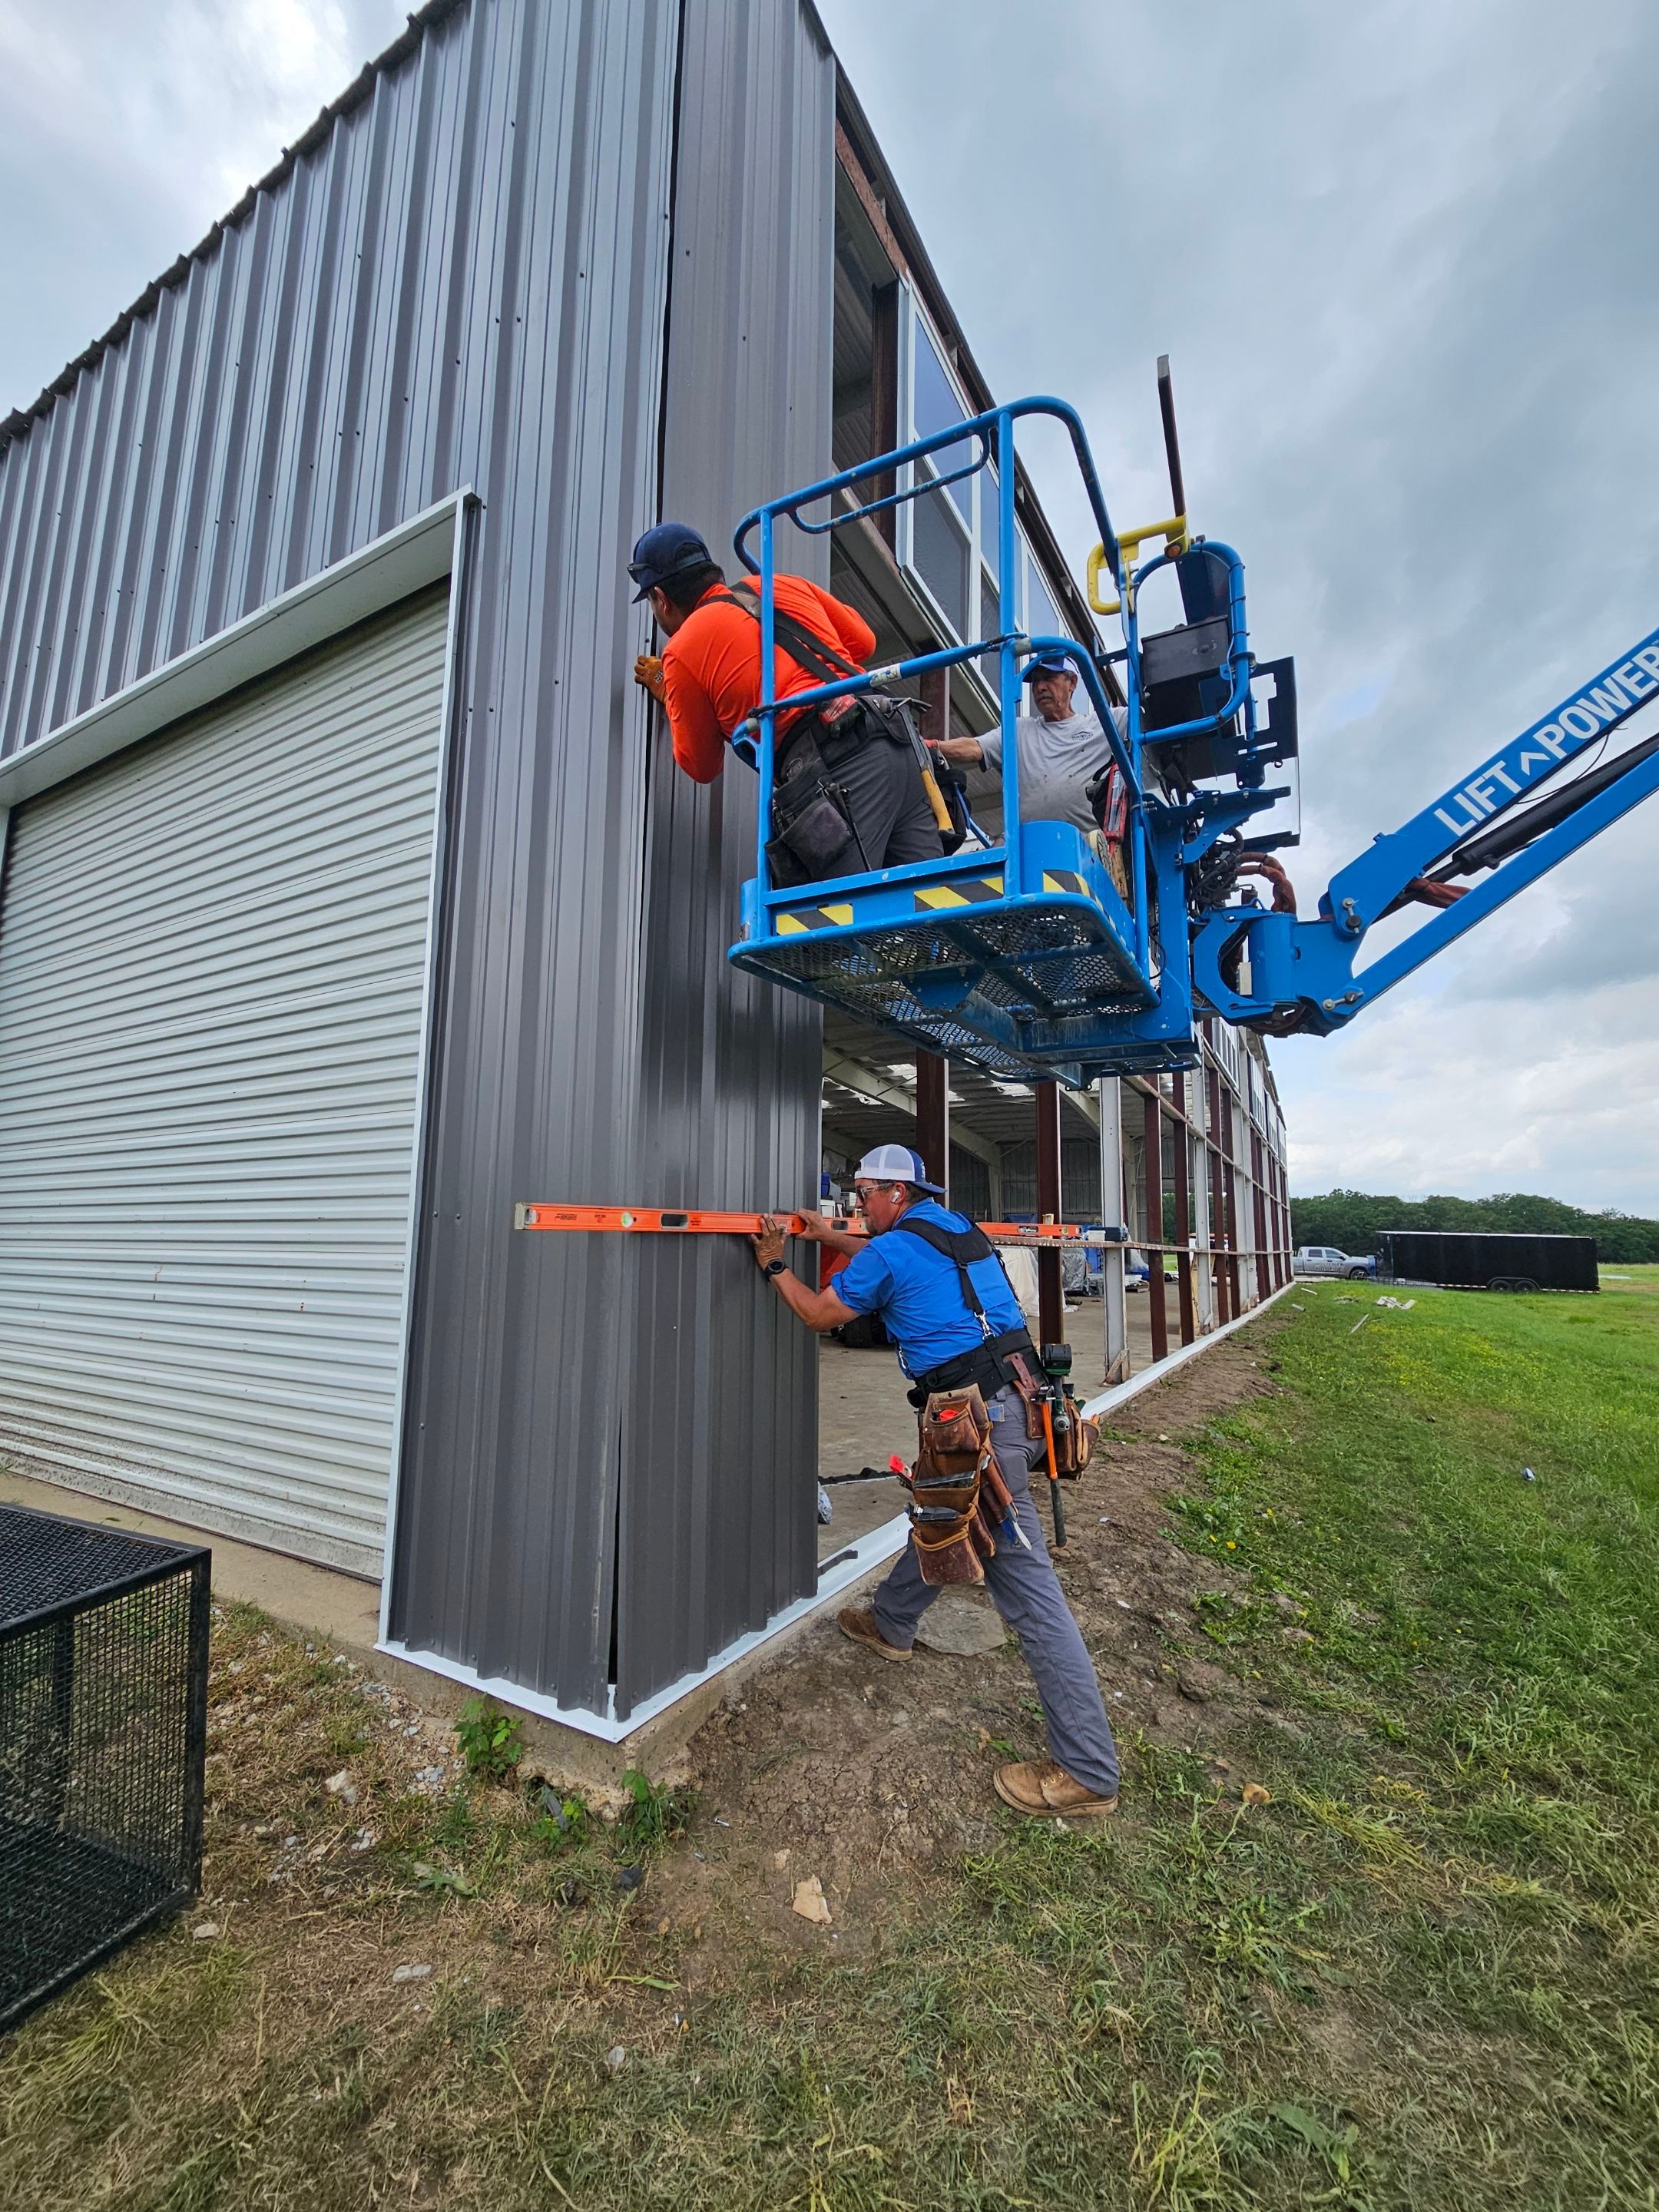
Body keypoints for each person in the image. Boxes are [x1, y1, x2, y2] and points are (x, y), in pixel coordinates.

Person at [750, 1143, 1121, 1820]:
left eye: (864, 1192)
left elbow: (817, 1313)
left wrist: (776, 1262)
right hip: (1018, 1398)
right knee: (939, 1507)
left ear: (896, 1194)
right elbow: (885, 1252)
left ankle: (1087, 1768)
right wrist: (825, 1230)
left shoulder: (891, 1253)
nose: (858, 1202)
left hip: (979, 1420)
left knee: (1027, 1588)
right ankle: (891, 1623)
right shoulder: (952, 1227)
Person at [628, 522, 943, 884]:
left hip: (842, 767)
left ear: (661, 598)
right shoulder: (780, 585)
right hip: (898, 740)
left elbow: (701, 765)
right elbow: (864, 641)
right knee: (924, 912)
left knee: (832, 918)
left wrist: (671, 693)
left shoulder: (682, 651)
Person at [934, 651, 1131, 896]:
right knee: (988, 866)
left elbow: (1145, 718)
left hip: (1081, 849)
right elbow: (975, 747)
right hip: (1026, 849)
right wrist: (932, 746)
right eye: (1035, 681)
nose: (1040, 687)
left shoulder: (1102, 723)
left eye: (1049, 678)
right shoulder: (1020, 730)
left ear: (1073, 683)